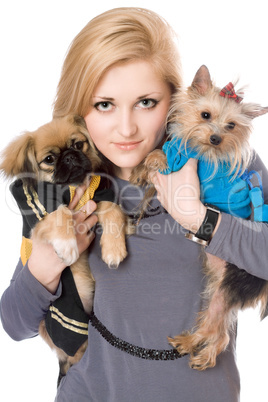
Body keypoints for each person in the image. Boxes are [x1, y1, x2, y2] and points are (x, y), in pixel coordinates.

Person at [1, 7, 268, 402]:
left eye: (146, 102)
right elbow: (15, 325)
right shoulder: (77, 188)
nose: (127, 129)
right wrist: (42, 267)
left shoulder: (222, 165)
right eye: (104, 105)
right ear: (78, 109)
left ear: (177, 101)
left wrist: (198, 217)